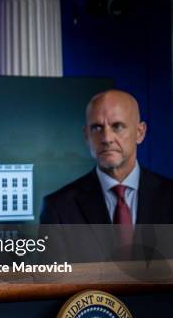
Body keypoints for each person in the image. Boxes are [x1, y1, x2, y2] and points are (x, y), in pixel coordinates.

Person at [40, 89, 173, 225]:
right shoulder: (58, 208)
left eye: (117, 126)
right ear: (86, 136)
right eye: (97, 128)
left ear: (140, 133)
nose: (106, 138)